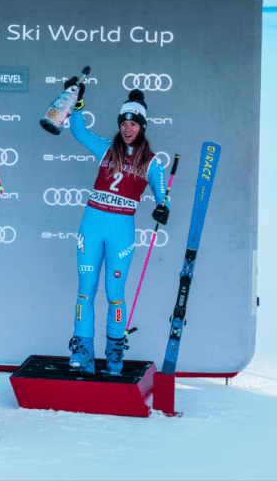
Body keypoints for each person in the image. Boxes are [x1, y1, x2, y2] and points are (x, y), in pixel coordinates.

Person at [61, 78, 169, 376]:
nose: (128, 128)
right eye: (124, 123)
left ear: (142, 126)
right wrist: (78, 104)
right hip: (92, 225)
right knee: (85, 289)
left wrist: (162, 209)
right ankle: (82, 352)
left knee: (114, 292)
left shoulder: (153, 163)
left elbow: (164, 200)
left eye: (133, 124)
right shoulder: (107, 149)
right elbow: (79, 131)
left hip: (121, 230)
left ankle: (114, 354)